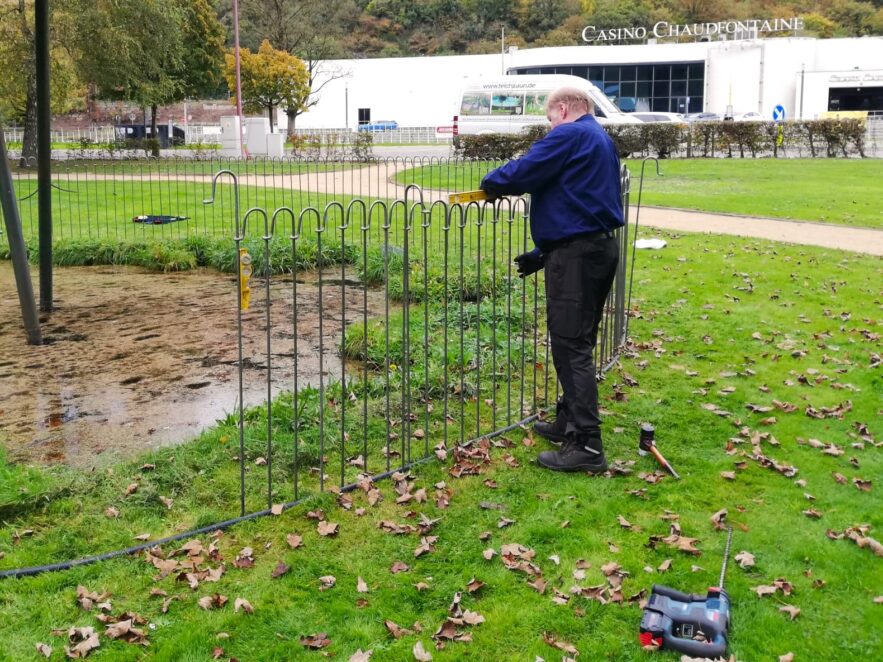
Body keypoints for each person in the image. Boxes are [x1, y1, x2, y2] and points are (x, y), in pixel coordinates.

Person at [480, 86, 624, 473]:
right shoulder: (600, 139)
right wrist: (545, 253)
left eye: (549, 119)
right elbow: (581, 200)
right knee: (579, 339)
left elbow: (527, 169)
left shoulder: (571, 133)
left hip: (578, 256)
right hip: (594, 249)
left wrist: (491, 183)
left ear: (562, 109)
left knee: (570, 345)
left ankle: (587, 446)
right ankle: (568, 421)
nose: (550, 126)